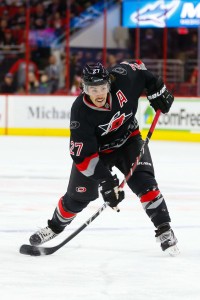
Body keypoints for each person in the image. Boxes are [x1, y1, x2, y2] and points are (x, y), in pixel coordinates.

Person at [30, 60, 179, 256]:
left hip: (129, 141)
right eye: (93, 89)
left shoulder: (124, 78)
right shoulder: (80, 112)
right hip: (97, 155)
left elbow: (140, 69)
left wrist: (157, 88)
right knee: (77, 198)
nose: (99, 94)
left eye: (102, 87)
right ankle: (55, 227)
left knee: (146, 183)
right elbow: (82, 156)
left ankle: (165, 230)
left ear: (109, 83)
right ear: (84, 88)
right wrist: (106, 181)